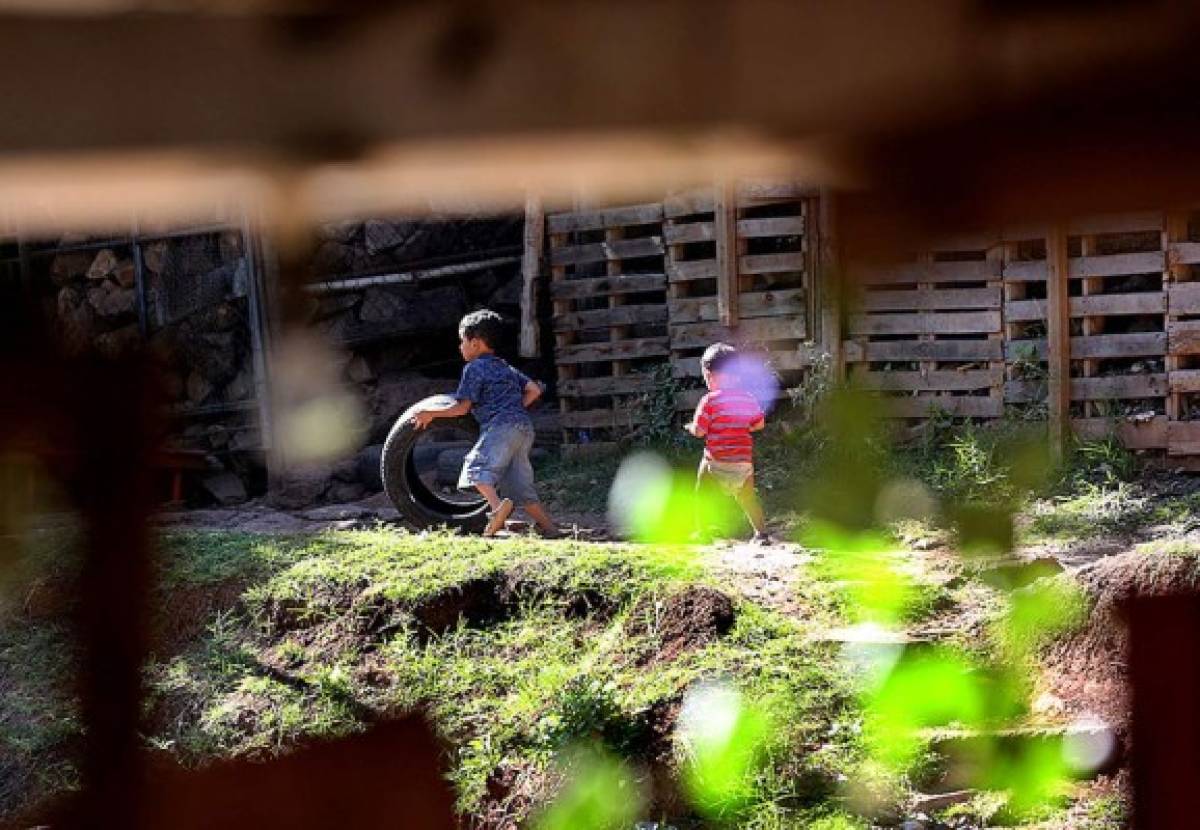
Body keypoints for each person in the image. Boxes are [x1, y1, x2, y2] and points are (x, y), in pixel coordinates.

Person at [409, 309, 559, 538]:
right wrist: (514, 407)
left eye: (462, 341)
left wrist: (430, 413)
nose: (460, 347)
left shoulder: (473, 368)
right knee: (520, 486)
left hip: (500, 427)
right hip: (523, 428)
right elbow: (534, 390)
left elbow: (462, 407)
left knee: (476, 468)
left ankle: (498, 509)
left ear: (476, 343)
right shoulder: (504, 367)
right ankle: (550, 528)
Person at [685, 342, 771, 544]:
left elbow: (700, 431)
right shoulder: (747, 399)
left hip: (715, 462)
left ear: (710, 375)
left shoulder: (709, 401)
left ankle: (703, 532)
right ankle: (761, 534)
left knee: (702, 493)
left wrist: (690, 427)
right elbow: (759, 424)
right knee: (748, 498)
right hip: (742, 463)